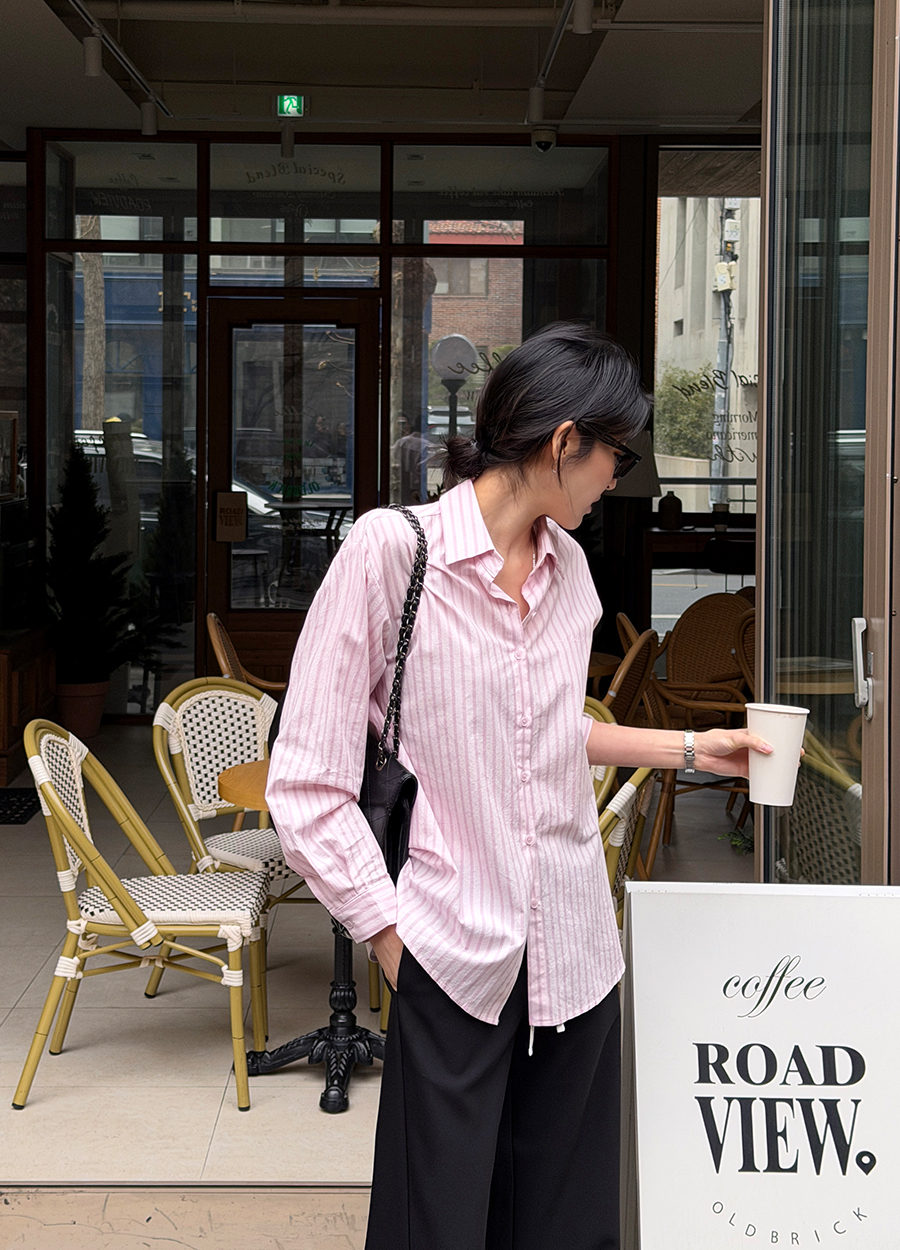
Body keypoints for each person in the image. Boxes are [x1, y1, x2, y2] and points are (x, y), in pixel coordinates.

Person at [266, 322, 772, 1250]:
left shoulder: (569, 568)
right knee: (438, 1227)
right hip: (451, 953)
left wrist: (697, 749)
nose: (618, 476)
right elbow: (306, 783)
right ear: (565, 441)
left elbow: (550, 730)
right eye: (618, 453)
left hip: (575, 953)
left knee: (567, 1227)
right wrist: (392, 943)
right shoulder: (393, 553)